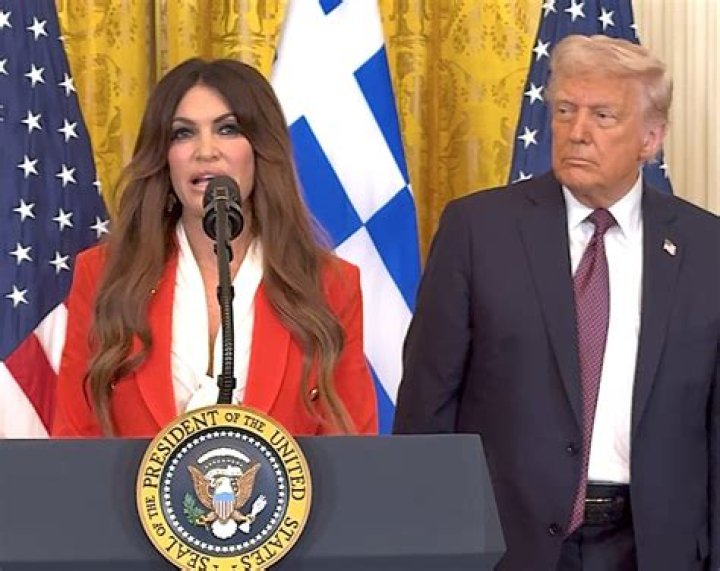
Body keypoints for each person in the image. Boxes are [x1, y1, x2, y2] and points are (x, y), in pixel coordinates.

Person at [394, 34, 719, 571]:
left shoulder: (706, 249)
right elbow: (426, 405)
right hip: (503, 542)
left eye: (603, 116)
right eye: (565, 111)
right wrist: (428, 546)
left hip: (654, 547)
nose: (577, 132)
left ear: (651, 138)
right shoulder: (479, 230)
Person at [52, 58, 378, 438]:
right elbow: (74, 440)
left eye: (227, 129)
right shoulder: (104, 274)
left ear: (260, 149)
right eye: (183, 134)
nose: (205, 150)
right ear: (164, 157)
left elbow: (352, 450)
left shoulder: (329, 284)